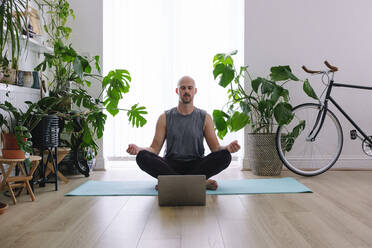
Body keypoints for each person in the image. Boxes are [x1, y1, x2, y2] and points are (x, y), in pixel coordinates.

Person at [127, 75, 240, 190]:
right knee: (142, 157)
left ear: (195, 91)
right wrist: (139, 149)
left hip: (197, 165)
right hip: (171, 165)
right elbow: (154, 149)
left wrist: (228, 148)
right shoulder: (164, 117)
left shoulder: (205, 117)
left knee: (225, 156)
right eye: (183, 88)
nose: (186, 91)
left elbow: (215, 148)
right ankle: (198, 183)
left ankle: (171, 183)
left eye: (190, 88)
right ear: (177, 91)